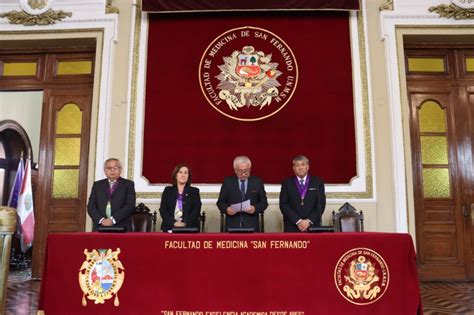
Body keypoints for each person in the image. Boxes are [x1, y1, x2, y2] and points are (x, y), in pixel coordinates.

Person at [217, 156, 268, 232]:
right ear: (235, 170)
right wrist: (227, 209)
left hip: (252, 225)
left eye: (246, 171)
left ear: (250, 169)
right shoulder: (228, 182)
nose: (243, 174)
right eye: (240, 171)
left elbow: (264, 203)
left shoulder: (257, 182)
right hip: (232, 225)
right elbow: (220, 202)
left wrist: (255, 208)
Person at [279, 155, 326, 232]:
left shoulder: (317, 182)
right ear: (293, 168)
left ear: (308, 167)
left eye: (303, 164)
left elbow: (321, 204)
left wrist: (308, 221)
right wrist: (298, 221)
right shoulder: (286, 183)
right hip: (292, 226)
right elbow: (284, 204)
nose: (300, 167)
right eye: (297, 165)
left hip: (312, 225)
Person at [87, 158, 136, 231]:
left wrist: (113, 220)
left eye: (115, 168)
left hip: (121, 226)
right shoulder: (97, 185)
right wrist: (101, 220)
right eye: (109, 168)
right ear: (105, 170)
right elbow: (91, 206)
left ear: (120, 170)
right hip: (100, 226)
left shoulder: (128, 184)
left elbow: (130, 206)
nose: (112, 170)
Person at [159, 164, 202, 232]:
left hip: (188, 228)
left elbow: (196, 211)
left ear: (188, 176)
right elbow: (163, 210)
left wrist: (184, 223)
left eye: (185, 173)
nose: (183, 175)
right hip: (169, 227)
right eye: (180, 172)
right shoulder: (168, 190)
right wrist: (174, 223)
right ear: (176, 175)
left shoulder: (194, 191)